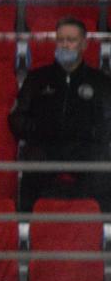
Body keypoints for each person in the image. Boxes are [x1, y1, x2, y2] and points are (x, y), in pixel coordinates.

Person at [8, 16, 111, 211]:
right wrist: (42, 129)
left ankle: (104, 226)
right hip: (46, 150)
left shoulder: (101, 82)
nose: (65, 45)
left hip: (85, 151)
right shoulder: (37, 79)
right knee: (33, 163)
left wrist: (86, 132)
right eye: (61, 39)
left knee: (102, 165)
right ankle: (24, 225)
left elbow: (108, 124)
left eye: (71, 40)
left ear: (84, 44)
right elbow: (16, 119)